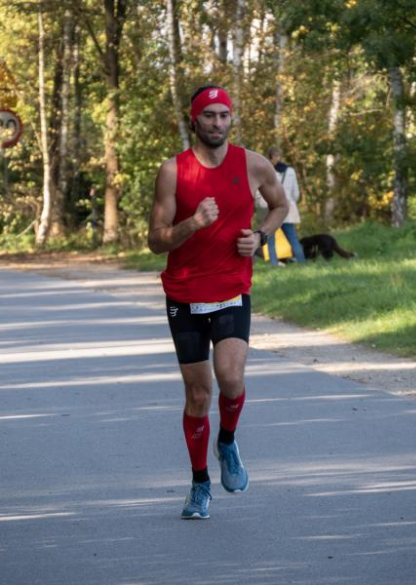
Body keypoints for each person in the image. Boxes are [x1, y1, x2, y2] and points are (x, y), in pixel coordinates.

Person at [147, 85, 288, 519]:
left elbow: (281, 205)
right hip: (185, 294)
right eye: (208, 115)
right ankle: (199, 484)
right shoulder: (173, 172)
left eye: (224, 115)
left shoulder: (253, 164)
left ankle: (226, 440)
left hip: (231, 290)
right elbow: (155, 240)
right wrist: (193, 223)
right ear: (194, 120)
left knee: (230, 378)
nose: (217, 123)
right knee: (197, 394)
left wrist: (261, 236)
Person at [255, 147, 306, 266]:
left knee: (271, 240)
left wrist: (262, 204)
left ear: (269, 157)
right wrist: (290, 201)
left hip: (271, 210)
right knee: (293, 239)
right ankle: (302, 263)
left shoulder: (265, 170)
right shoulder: (291, 171)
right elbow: (296, 193)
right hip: (287, 209)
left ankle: (274, 265)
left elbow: (259, 193)